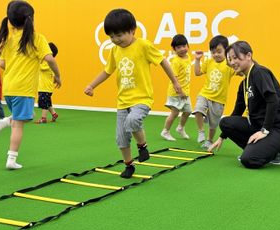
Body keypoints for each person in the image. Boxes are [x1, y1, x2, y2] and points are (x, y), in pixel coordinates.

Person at [84, 9, 184, 178]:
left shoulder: (143, 45)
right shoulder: (115, 51)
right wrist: (91, 85)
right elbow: (107, 71)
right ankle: (129, 165)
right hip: (123, 101)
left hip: (142, 98)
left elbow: (163, 62)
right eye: (111, 37)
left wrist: (175, 82)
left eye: (119, 35)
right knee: (121, 138)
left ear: (132, 30)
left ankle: (142, 145)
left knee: (133, 120)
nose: (115, 40)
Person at [0, 0, 61, 170]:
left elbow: (3, 64)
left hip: (10, 88)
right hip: (23, 89)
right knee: (19, 123)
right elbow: (50, 59)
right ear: (31, 19)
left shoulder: (9, 40)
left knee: (23, 117)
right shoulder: (37, 39)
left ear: (10, 21)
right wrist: (57, 75)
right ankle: (11, 159)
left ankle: (2, 123)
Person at [208, 41, 280, 168]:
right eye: (230, 59)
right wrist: (222, 137)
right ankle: (265, 150)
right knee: (225, 123)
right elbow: (237, 113)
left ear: (248, 55)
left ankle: (271, 152)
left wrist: (264, 130)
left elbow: (273, 101)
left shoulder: (259, 72)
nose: (232, 62)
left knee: (249, 160)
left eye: (235, 57)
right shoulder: (243, 84)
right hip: (260, 126)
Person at [193, 35, 235, 150]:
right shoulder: (209, 61)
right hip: (205, 94)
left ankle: (209, 140)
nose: (215, 54)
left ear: (226, 50)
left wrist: (235, 62)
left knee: (213, 124)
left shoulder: (229, 64)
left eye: (219, 51)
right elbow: (197, 72)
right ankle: (201, 131)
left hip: (219, 99)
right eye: (213, 52)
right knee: (198, 109)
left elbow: (240, 73)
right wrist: (197, 60)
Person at [160, 34, 192, 141]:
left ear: (188, 45)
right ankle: (165, 131)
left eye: (184, 46)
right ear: (174, 49)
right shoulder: (176, 61)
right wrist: (180, 91)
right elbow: (175, 78)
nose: (182, 49)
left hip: (186, 92)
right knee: (175, 113)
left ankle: (180, 128)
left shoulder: (188, 58)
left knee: (187, 111)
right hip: (176, 92)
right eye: (178, 47)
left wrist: (185, 92)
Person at [35, 42, 60, 123]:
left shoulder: (47, 62)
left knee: (44, 103)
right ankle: (54, 114)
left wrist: (38, 59)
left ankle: (43, 118)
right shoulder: (47, 62)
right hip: (45, 87)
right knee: (47, 103)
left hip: (45, 87)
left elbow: (41, 67)